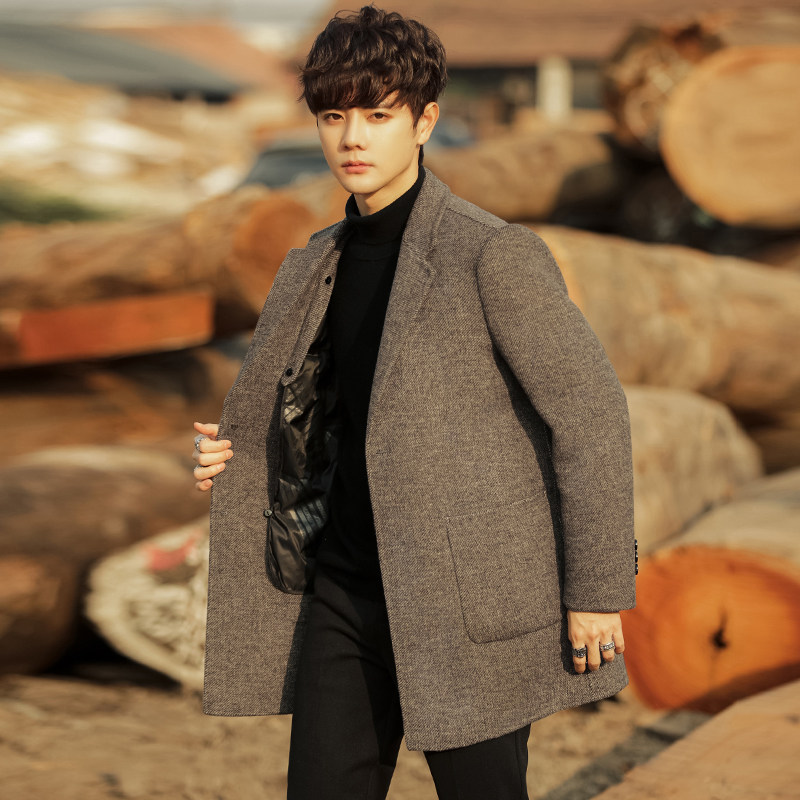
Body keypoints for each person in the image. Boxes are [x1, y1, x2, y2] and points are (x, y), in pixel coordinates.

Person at [194, 6, 638, 800]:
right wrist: (238, 451)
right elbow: (322, 412)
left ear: (425, 121)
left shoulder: (490, 253)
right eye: (333, 116)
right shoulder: (312, 265)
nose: (352, 138)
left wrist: (597, 591)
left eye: (377, 115)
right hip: (343, 591)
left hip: (467, 604)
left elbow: (591, 414)